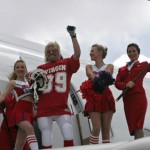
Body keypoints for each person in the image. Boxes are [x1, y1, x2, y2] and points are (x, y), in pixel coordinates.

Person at [36, 26, 80, 149]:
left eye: (53, 49)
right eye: (48, 50)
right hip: (44, 107)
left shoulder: (66, 63)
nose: (51, 52)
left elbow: (77, 54)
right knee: (46, 136)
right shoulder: (40, 68)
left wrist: (73, 36)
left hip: (61, 106)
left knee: (68, 133)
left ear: (58, 51)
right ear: (45, 54)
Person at [80, 44, 115, 144]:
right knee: (96, 128)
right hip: (94, 97)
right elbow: (90, 74)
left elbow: (108, 74)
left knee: (106, 131)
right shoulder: (89, 66)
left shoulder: (109, 66)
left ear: (100, 52)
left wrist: (101, 80)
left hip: (106, 97)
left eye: (92, 51)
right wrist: (97, 79)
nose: (90, 53)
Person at [0, 59, 39, 150]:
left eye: (22, 67)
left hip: (29, 112)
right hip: (19, 112)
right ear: (15, 70)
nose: (20, 69)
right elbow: (2, 97)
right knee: (30, 129)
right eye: (17, 67)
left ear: (26, 69)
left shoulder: (30, 83)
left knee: (19, 145)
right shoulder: (13, 83)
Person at [115, 43, 150, 140]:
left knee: (138, 126)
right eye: (129, 51)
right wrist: (125, 85)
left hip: (139, 98)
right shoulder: (122, 69)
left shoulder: (144, 65)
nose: (132, 53)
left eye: (134, 51)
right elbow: (117, 83)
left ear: (138, 53)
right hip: (127, 99)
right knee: (133, 127)